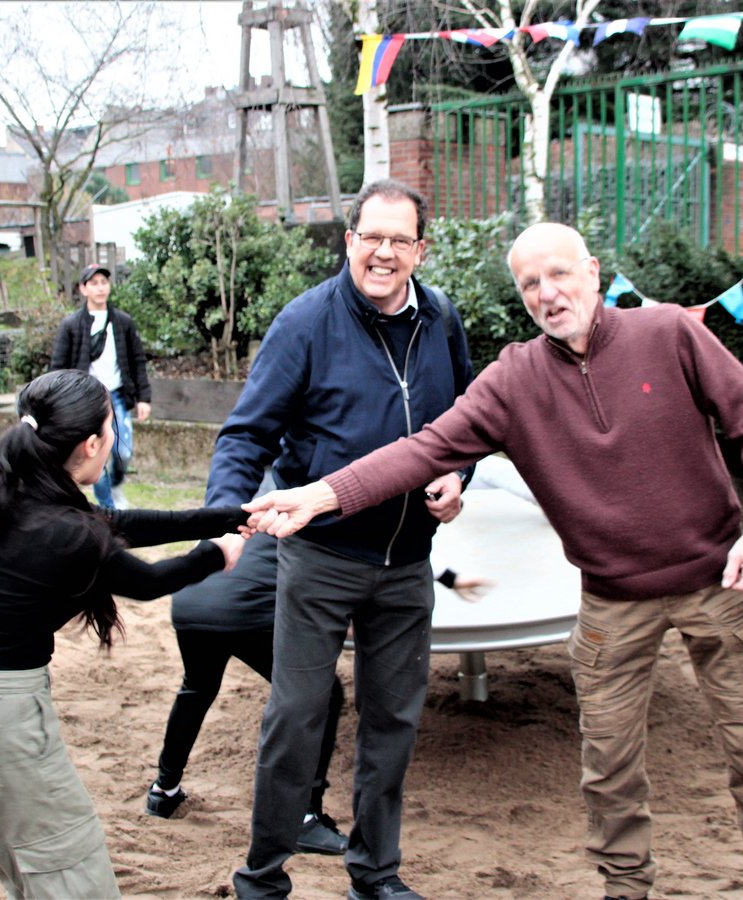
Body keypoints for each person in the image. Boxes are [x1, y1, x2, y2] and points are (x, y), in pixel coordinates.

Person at [244, 223, 743, 900]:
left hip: (715, 580)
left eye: (560, 274)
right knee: (608, 767)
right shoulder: (515, 379)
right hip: (610, 599)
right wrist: (322, 494)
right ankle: (625, 889)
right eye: (530, 284)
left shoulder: (669, 333)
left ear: (594, 272)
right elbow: (423, 449)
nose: (548, 294)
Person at [208, 179, 473, 900]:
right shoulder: (305, 323)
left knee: (393, 723)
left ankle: (375, 873)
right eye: (370, 237)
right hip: (321, 556)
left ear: (420, 249)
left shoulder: (443, 320)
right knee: (296, 716)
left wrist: (459, 476)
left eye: (399, 240)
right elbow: (247, 434)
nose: (383, 253)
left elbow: (467, 424)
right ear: (349, 240)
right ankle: (261, 878)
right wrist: (223, 523)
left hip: (407, 562)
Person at [0, 369, 248, 899]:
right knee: (77, 877)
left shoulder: (11, 486)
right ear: (93, 443)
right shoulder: (61, 529)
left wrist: (230, 517)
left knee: (34, 877)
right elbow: (146, 582)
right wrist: (216, 554)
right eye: (112, 427)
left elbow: (116, 524)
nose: (116, 437)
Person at [144, 519, 489, 843]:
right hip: (249, 609)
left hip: (192, 602)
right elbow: (377, 544)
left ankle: (164, 789)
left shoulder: (252, 495)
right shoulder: (315, 499)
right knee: (324, 696)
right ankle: (306, 815)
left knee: (197, 689)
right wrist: (451, 578)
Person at [51, 263, 152, 510]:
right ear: (83, 289)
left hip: (117, 396)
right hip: (88, 400)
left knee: (123, 452)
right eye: (93, 283)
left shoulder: (123, 322)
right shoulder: (71, 325)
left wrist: (143, 397)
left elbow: (138, 360)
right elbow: (58, 366)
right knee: (98, 456)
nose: (100, 288)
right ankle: (108, 509)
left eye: (104, 282)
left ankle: (115, 486)